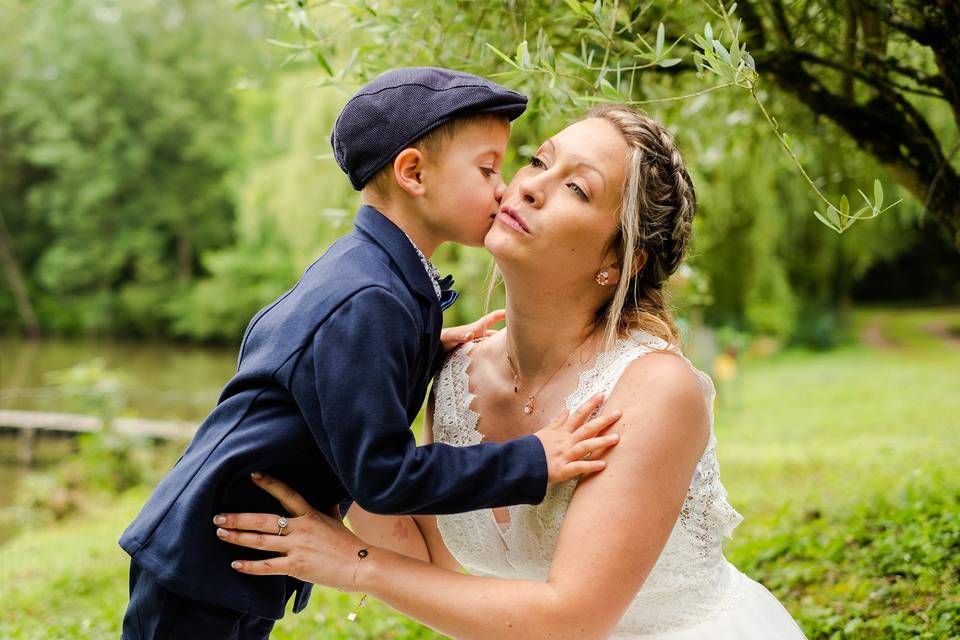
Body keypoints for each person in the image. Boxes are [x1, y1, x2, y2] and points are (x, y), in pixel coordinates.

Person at [215, 104, 809, 639]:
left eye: (576, 188)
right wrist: (361, 380)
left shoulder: (654, 391)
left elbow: (571, 620)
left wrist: (349, 565)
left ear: (620, 261)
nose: (526, 188)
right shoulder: (453, 373)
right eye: (537, 161)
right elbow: (428, 562)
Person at [118, 68, 622, 640]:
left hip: (231, 552)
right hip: (205, 559)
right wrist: (534, 460)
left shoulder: (374, 275)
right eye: (486, 170)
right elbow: (384, 478)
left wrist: (421, 350)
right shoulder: (371, 298)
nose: (503, 188)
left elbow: (298, 357)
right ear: (413, 173)